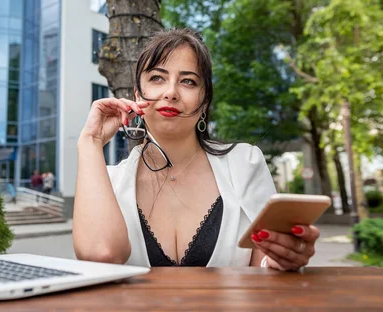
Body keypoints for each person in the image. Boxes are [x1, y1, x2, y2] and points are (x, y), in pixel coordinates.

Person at [74, 28, 320, 270]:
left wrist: (281, 260)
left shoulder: (245, 163)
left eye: (188, 81)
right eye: (157, 78)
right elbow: (102, 254)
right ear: (138, 95)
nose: (171, 92)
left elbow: (264, 264)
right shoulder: (107, 182)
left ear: (204, 102)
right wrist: (90, 142)